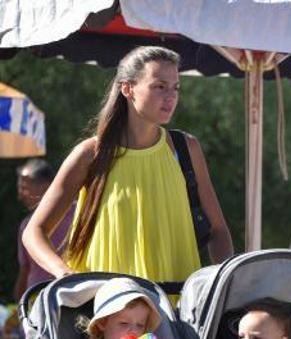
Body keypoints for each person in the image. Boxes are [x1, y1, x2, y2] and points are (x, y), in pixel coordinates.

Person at [22, 45, 233, 283]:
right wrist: (64, 272)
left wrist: (223, 282)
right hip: (105, 310)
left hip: (176, 306)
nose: (171, 96)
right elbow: (34, 232)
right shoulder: (90, 155)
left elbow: (218, 230)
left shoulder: (186, 149)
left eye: (175, 88)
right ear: (127, 88)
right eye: (159, 86)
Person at [14, 159, 73, 301]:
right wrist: (20, 306)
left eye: (25, 188)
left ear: (46, 187)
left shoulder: (80, 214)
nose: (20, 195)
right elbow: (25, 270)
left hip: (72, 296)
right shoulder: (26, 225)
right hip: (37, 303)